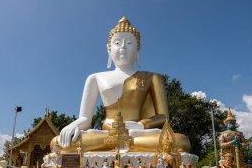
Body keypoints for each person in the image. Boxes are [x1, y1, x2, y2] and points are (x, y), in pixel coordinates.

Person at [52, 17, 191, 153]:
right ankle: (126, 144)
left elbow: (163, 117)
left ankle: (126, 143)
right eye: (117, 43)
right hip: (108, 134)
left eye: (129, 43)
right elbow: (85, 119)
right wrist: (73, 125)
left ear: (138, 49)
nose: (123, 47)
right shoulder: (95, 78)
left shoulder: (152, 78)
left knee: (180, 141)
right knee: (59, 142)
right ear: (109, 49)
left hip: (138, 133)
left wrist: (142, 125)